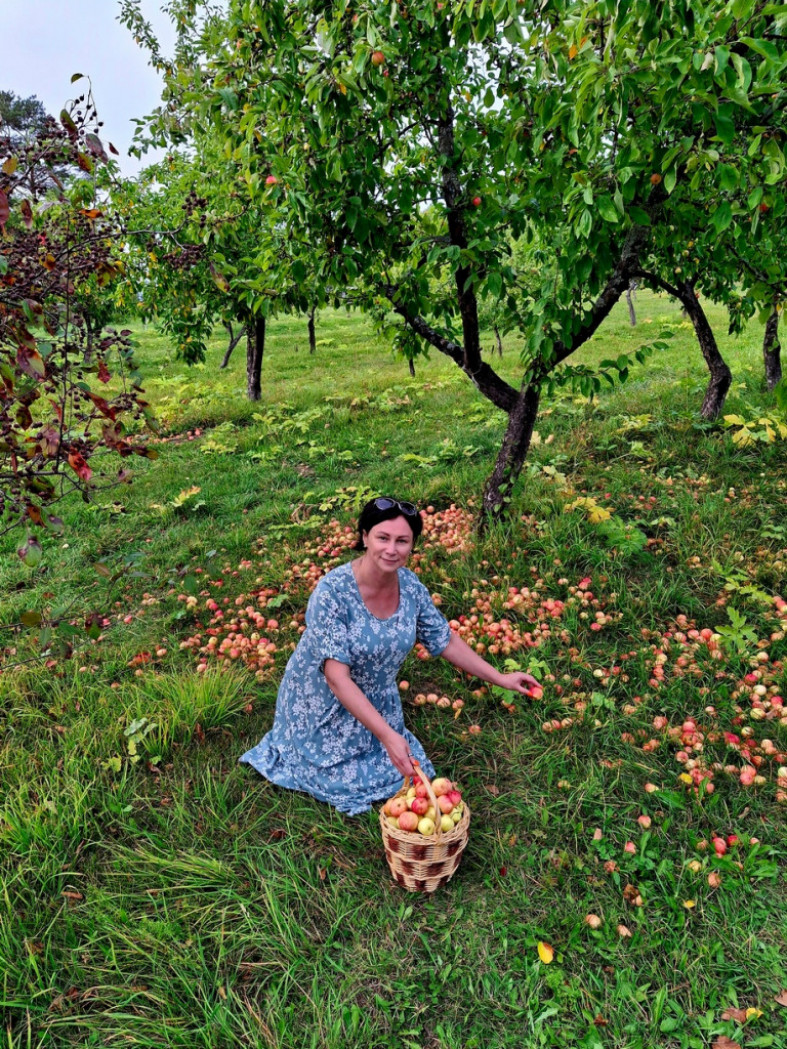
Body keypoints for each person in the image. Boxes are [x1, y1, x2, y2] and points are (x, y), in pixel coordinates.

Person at [239, 496, 539, 815]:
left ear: (412, 545)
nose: (391, 549)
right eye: (383, 537)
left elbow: (444, 640)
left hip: (377, 698)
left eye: (402, 541)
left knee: (405, 771)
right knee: (345, 781)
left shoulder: (409, 587)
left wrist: (500, 678)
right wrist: (386, 735)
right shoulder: (333, 593)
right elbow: (336, 678)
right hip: (324, 701)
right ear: (365, 536)